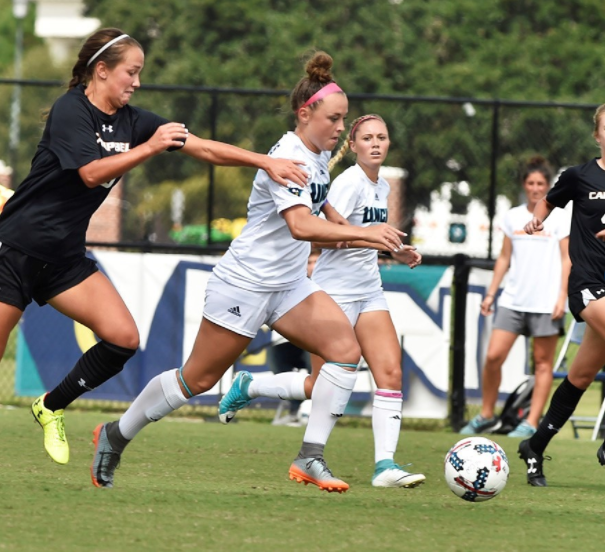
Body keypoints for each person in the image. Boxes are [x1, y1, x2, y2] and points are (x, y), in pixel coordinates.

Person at [90, 51, 407, 492]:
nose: (340, 128)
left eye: (343, 119)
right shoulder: (290, 154)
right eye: (334, 119)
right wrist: (369, 234)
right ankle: (116, 433)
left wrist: (382, 239)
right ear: (305, 114)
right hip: (245, 283)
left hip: (289, 285)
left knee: (343, 350)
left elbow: (330, 220)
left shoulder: (317, 159)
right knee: (195, 380)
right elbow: (299, 226)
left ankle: (310, 457)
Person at [0, 27, 309, 467]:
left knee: (123, 339)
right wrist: (149, 148)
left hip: (63, 259)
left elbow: (203, 148)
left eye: (140, 73)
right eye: (131, 72)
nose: (137, 82)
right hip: (14, 248)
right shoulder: (72, 110)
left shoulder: (134, 121)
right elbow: (90, 172)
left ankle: (50, 407)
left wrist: (266, 161)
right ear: (101, 71)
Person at [220, 114, 426, 488]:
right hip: (335, 290)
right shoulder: (347, 183)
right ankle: (250, 387)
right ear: (353, 144)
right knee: (320, 386)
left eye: (382, 136)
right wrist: (364, 237)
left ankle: (385, 467)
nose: (376, 143)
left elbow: (362, 235)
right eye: (367, 138)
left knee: (390, 373)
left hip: (368, 289)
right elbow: (324, 236)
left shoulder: (382, 188)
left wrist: (393, 251)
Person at [519, 103, 605, 486]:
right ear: (597, 135)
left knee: (581, 376)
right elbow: (548, 202)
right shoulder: (579, 176)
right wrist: (538, 217)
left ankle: (535, 446)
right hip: (588, 282)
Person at [460, 156, 571, 438]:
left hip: (546, 302)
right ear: (524, 185)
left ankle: (531, 422)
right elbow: (504, 258)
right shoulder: (512, 216)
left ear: (548, 187)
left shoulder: (559, 217)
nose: (535, 188)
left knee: (543, 364)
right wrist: (491, 294)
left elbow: (566, 259)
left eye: (541, 184)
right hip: (512, 301)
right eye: (531, 183)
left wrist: (561, 298)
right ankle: (486, 415)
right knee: (493, 356)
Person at [269, 249, 320, 427]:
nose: (312, 267)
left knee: (313, 359)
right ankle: (294, 409)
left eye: (316, 262)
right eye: (309, 262)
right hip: (290, 340)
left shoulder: (331, 285)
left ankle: (309, 412)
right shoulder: (293, 283)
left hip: (319, 343)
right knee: (276, 358)